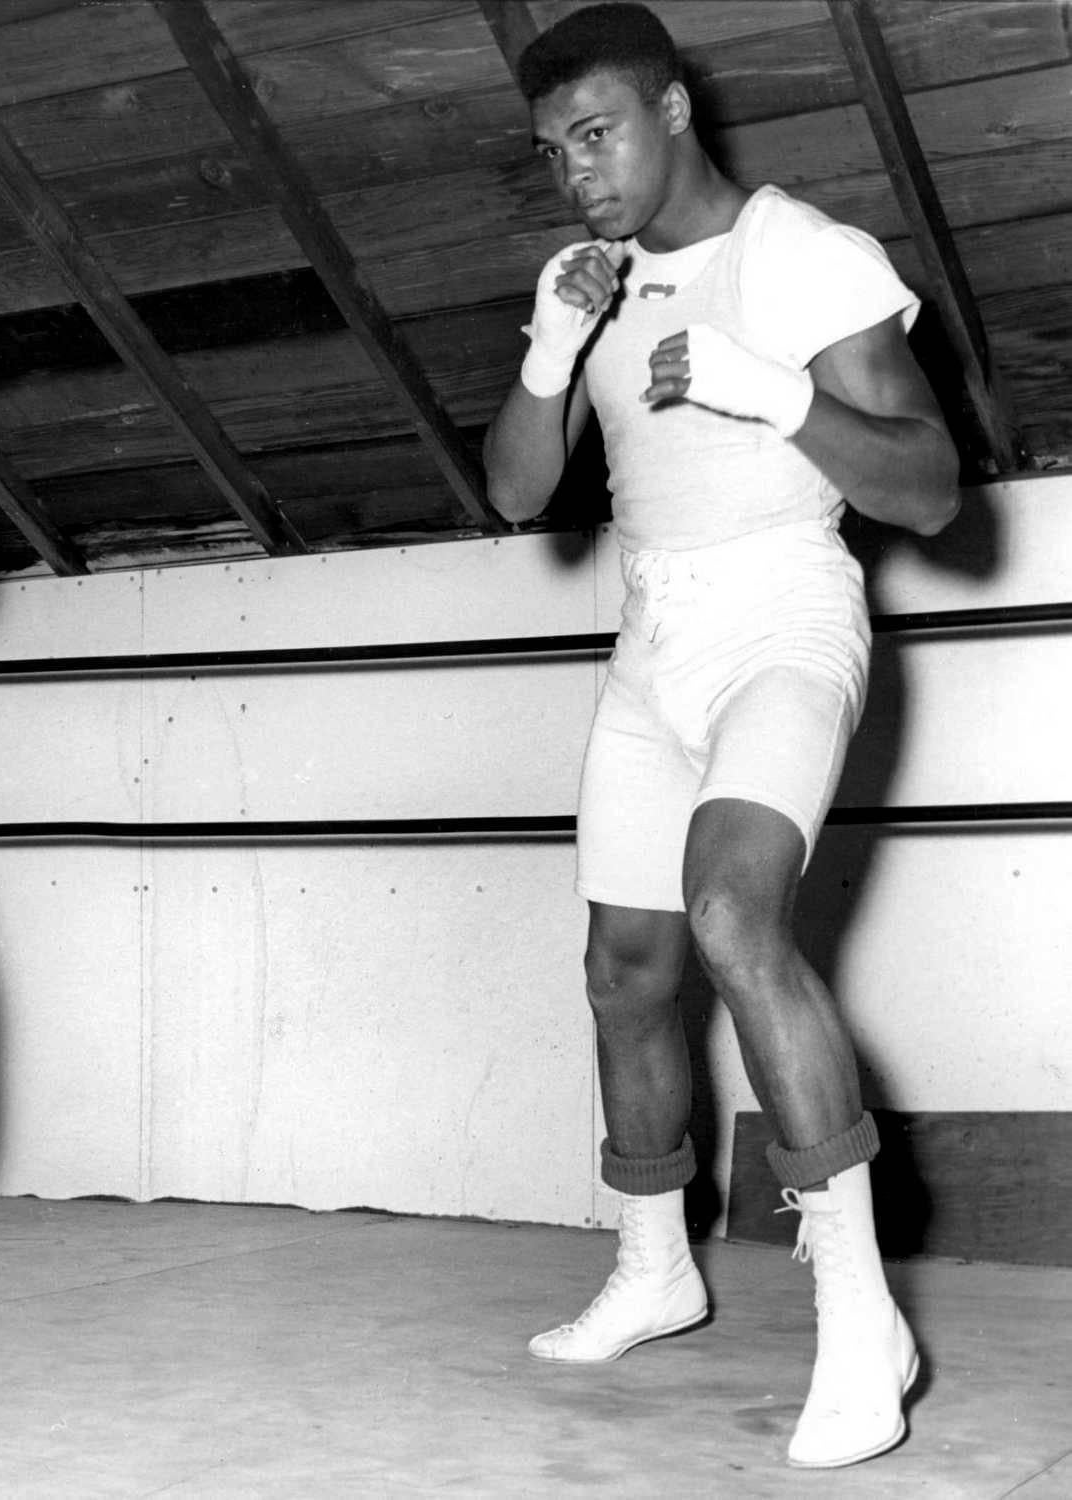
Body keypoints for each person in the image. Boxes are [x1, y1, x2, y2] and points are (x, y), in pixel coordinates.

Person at [483, 3, 959, 1471]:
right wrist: (551, 354)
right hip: (652, 639)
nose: (578, 171)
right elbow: (511, 495)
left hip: (784, 618)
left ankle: (860, 1320)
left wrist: (783, 393)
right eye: (554, 147)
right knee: (624, 971)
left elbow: (932, 491)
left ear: (674, 107)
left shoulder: (798, 255)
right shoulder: (592, 282)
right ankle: (652, 1263)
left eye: (599, 132)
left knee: (729, 914)